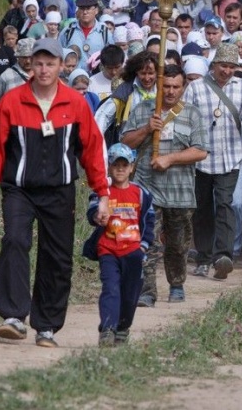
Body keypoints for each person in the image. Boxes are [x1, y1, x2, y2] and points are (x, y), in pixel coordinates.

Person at [0, 37, 110, 349]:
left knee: (57, 257)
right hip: (19, 189)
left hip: (59, 191)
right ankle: (13, 316)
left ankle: (46, 326)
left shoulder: (75, 103)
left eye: (50, 63)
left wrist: (102, 193)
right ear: (30, 65)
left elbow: (92, 150)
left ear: (61, 66)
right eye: (38, 63)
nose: (43, 69)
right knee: (14, 241)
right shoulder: (12, 101)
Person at [120, 64, 209, 306]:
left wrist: (169, 159)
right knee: (146, 242)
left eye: (175, 87)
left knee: (178, 245)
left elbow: (201, 151)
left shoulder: (192, 113)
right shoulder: (142, 110)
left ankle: (177, 284)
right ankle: (146, 291)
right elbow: (125, 142)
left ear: (183, 87)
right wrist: (147, 128)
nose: (170, 92)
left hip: (180, 193)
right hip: (147, 188)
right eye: (166, 86)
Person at [186, 44, 242, 280]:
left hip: (231, 157)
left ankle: (222, 256)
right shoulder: (196, 88)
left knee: (227, 205)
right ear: (213, 65)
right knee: (203, 208)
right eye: (223, 66)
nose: (227, 71)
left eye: (231, 67)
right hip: (201, 158)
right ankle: (203, 256)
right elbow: (184, 119)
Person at [82, 143, 152, 347]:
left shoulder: (141, 194)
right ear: (109, 168)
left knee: (131, 293)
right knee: (111, 288)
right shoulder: (102, 192)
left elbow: (149, 220)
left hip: (133, 252)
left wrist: (144, 246)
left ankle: (122, 327)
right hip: (108, 250)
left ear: (132, 167)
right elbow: (92, 211)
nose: (120, 169)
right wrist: (97, 216)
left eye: (125, 165)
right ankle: (107, 328)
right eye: (116, 165)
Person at [0, 38, 34, 111]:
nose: (28, 61)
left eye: (31, 57)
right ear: (18, 57)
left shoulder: (42, 75)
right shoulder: (7, 76)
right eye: (24, 57)